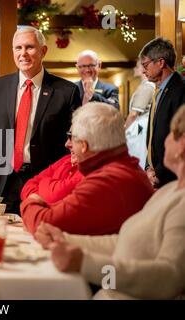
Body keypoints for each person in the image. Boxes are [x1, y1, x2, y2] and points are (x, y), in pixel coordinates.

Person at [36, 104, 185, 300]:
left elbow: (168, 282)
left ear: (182, 144)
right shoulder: (169, 191)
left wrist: (84, 264)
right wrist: (64, 239)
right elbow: (125, 243)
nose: (164, 139)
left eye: (171, 132)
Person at [0, 26, 81, 214]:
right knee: (1, 236)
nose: (23, 53)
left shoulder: (67, 92)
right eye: (18, 48)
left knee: (40, 236)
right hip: (3, 183)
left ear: (43, 51)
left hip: (46, 184)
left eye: (30, 47)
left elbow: (75, 142)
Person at [21, 103, 154, 235]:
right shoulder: (123, 168)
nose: (67, 144)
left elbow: (44, 224)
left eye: (71, 138)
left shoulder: (106, 180)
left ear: (84, 145)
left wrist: (30, 202)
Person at [139, 37, 185, 188]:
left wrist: (158, 172)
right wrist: (148, 167)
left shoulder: (181, 89)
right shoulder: (158, 90)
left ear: (160, 62)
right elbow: (154, 134)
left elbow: (179, 135)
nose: (143, 71)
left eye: (145, 65)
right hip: (158, 175)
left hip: (173, 177)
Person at [20, 132, 83, 204]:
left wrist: (44, 182)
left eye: (73, 138)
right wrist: (48, 191)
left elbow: (53, 198)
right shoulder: (66, 159)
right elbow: (26, 187)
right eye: (68, 137)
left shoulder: (90, 171)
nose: (67, 144)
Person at [124, 59, 155, 169]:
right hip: (141, 125)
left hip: (140, 127)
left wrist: (124, 130)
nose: (134, 69)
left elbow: (134, 113)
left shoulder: (147, 86)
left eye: (137, 66)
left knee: (138, 153)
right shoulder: (147, 85)